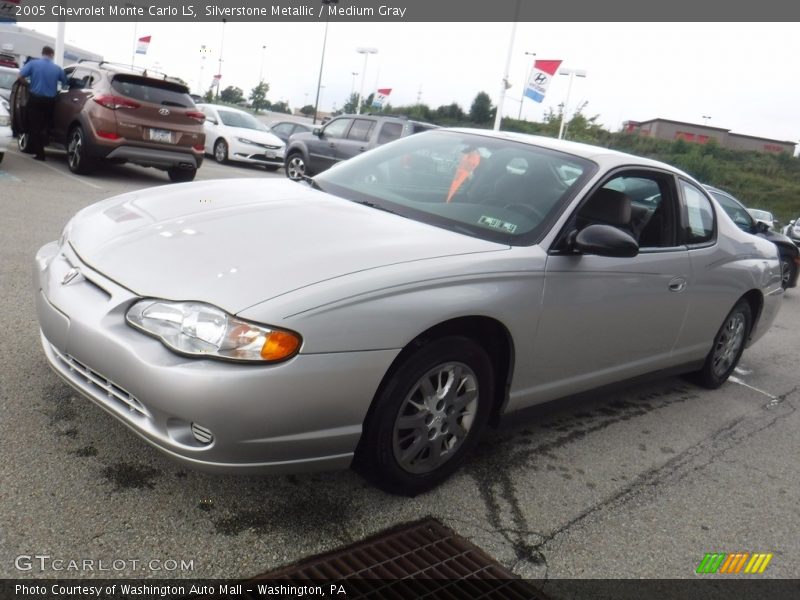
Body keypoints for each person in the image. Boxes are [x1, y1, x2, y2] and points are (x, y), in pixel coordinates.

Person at [17, 46, 67, 161]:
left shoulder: (33, 64)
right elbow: (65, 82)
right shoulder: (57, 68)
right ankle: (44, 142)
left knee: (34, 127)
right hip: (50, 102)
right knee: (45, 126)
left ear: (42, 53)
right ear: (52, 55)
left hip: (35, 99)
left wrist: (28, 85)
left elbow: (20, 77)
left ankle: (40, 154)